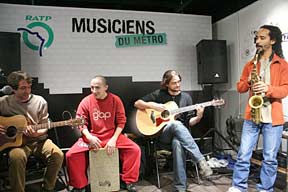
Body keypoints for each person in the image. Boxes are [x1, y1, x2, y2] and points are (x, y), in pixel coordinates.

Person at [227, 25, 288, 192]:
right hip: (252, 116)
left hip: (272, 117)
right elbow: (240, 88)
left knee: (270, 158)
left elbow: (285, 90)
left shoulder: (282, 64)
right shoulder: (250, 64)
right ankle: (238, 187)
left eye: (262, 38)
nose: (257, 41)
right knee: (243, 154)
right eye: (257, 38)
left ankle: (265, 189)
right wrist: (247, 81)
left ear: (273, 40)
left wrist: (268, 88)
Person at [134, 70, 213, 192]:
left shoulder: (186, 98)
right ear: (166, 84)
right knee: (175, 124)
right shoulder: (159, 94)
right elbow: (137, 103)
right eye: (174, 83)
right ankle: (200, 160)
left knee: (178, 143)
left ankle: (180, 187)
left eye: (179, 82)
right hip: (162, 137)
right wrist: (153, 106)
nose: (178, 85)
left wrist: (199, 116)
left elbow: (189, 123)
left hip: (181, 137)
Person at [66, 75, 141, 192]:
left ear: (106, 87)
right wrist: (89, 137)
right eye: (92, 88)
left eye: (97, 88)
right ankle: (80, 186)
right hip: (92, 136)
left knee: (134, 150)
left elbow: (121, 121)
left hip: (112, 136)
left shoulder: (115, 100)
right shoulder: (86, 101)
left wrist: (114, 139)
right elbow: (80, 122)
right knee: (71, 155)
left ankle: (127, 181)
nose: (94, 91)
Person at [0, 71, 64, 192]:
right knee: (16, 157)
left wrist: (37, 133)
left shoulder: (40, 101)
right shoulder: (4, 102)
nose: (27, 91)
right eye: (23, 88)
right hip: (18, 144)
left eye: (29, 87)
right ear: (13, 89)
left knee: (58, 155)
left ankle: (48, 187)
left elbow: (45, 125)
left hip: (39, 140)